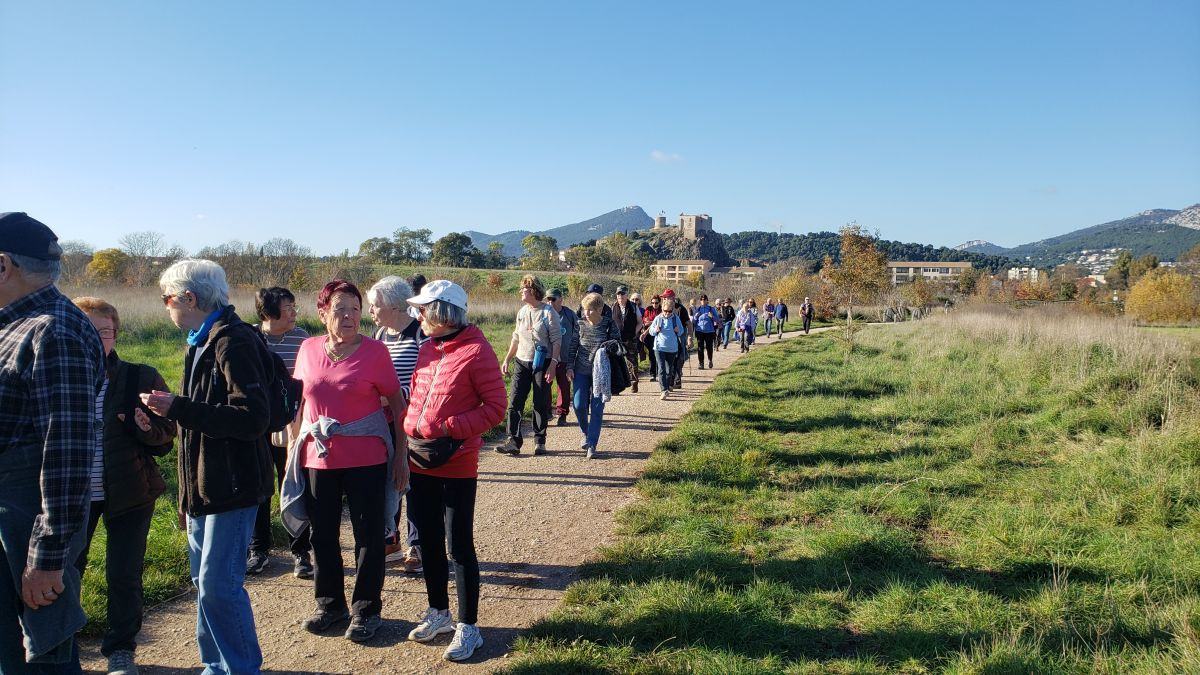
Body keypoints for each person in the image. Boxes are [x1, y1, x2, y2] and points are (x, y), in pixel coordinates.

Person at [143, 258, 273, 674]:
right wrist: (186, 493)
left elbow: (253, 418)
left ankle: (238, 669)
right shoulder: (200, 339)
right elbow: (199, 425)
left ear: (189, 297)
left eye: (168, 299)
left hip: (232, 486)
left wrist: (179, 407)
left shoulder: (232, 341)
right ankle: (215, 666)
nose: (167, 307)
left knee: (218, 587)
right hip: (205, 485)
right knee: (205, 585)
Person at [0, 213, 104, 674]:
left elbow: (66, 453)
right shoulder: (16, 323)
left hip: (25, 524)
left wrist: (46, 559)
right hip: (9, 515)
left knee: (38, 660)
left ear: (3, 266)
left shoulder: (53, 331)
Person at [288, 280, 406, 643]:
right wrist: (294, 443)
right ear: (323, 313)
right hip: (318, 458)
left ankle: (366, 610)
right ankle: (330, 605)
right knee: (322, 535)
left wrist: (401, 455)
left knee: (369, 537)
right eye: (340, 308)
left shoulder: (375, 352)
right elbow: (301, 403)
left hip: (367, 458)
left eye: (355, 308)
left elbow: (397, 406)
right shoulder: (307, 349)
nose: (349, 315)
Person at [403, 280, 506, 662]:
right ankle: (439, 613)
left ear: (443, 311)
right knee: (427, 540)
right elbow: (416, 396)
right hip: (419, 458)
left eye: (423, 309)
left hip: (457, 463)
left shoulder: (477, 351)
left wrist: (447, 427)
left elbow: (496, 408)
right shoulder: (427, 348)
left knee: (458, 545)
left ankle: (469, 627)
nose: (418, 315)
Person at [73, 297, 176, 675]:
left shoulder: (141, 376)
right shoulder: (58, 375)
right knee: (67, 570)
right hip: (70, 495)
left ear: (115, 334)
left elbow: (166, 441)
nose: (97, 339)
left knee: (124, 573)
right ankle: (63, 647)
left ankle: (120, 650)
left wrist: (145, 426)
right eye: (86, 330)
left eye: (104, 331)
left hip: (131, 490)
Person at [247, 286, 313, 579]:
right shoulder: (249, 338)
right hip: (256, 425)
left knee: (294, 486)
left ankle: (301, 552)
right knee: (259, 487)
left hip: (292, 425)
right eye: (288, 308)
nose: (294, 313)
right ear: (269, 313)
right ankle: (259, 550)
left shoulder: (302, 339)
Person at [367, 276, 425, 575]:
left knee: (412, 480)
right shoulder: (379, 335)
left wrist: (394, 397)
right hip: (385, 421)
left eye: (375, 305)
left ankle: (417, 544)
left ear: (392, 305)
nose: (371, 311)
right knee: (390, 476)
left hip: (414, 421)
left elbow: (427, 380)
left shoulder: (420, 334)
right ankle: (391, 540)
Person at [495, 275, 560, 456]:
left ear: (533, 290)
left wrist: (553, 365)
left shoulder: (548, 312)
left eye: (523, 288)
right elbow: (515, 338)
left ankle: (540, 442)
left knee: (539, 402)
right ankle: (513, 441)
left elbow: (556, 341)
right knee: (515, 401)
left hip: (542, 362)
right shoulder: (522, 312)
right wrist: (507, 359)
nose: (520, 291)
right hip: (521, 362)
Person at [568, 293, 622, 458]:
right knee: (578, 405)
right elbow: (573, 346)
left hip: (601, 373)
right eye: (584, 309)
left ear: (599, 309)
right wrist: (569, 367)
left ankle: (592, 443)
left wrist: (608, 348)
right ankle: (586, 432)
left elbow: (618, 345)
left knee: (597, 408)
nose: (586, 313)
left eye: (590, 310)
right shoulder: (580, 324)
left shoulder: (608, 324)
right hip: (581, 370)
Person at [546, 289, 577, 426]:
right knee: (544, 386)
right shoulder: (544, 314)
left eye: (553, 299)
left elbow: (578, 332)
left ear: (561, 299)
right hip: (547, 357)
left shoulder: (569, 314)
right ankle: (546, 412)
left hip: (564, 357)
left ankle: (562, 414)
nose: (550, 302)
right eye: (548, 299)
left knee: (564, 387)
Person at [648, 296, 683, 400]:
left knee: (669, 370)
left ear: (672, 310)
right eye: (665, 311)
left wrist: (677, 330)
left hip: (672, 348)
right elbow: (651, 332)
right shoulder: (658, 318)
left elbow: (681, 331)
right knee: (662, 368)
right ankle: (663, 390)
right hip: (659, 348)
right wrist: (656, 330)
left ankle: (667, 387)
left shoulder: (676, 319)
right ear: (662, 309)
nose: (667, 313)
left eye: (669, 311)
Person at [610, 286, 640, 392]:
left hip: (630, 339)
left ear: (627, 295)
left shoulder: (633, 306)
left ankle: (634, 382)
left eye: (622, 294)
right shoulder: (613, 306)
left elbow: (640, 322)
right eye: (618, 294)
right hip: (617, 339)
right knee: (616, 362)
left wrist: (635, 333)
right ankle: (617, 385)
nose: (620, 296)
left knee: (632, 362)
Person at [661, 289, 689, 389]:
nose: (664, 299)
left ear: (672, 298)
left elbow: (688, 323)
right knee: (669, 360)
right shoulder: (663, 308)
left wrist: (689, 337)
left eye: (666, 297)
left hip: (680, 336)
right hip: (666, 339)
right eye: (663, 297)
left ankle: (676, 379)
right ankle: (670, 381)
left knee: (679, 358)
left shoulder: (681, 309)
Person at [691, 294, 720, 370]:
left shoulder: (711, 309)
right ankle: (701, 363)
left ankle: (710, 360)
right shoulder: (698, 309)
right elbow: (693, 321)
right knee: (700, 348)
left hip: (709, 331)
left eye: (704, 299)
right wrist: (696, 316)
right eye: (701, 299)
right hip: (699, 331)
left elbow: (717, 320)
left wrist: (712, 317)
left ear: (707, 301)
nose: (703, 301)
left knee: (709, 347)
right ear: (700, 301)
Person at [638, 295, 662, 381]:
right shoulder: (648, 309)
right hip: (649, 335)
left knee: (658, 354)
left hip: (659, 335)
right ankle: (653, 374)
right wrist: (650, 322)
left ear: (659, 302)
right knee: (651, 354)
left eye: (656, 303)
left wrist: (651, 322)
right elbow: (645, 319)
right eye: (652, 302)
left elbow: (660, 321)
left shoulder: (662, 310)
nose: (654, 304)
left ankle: (659, 373)